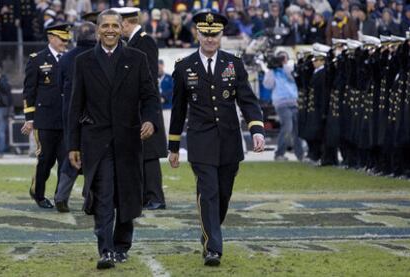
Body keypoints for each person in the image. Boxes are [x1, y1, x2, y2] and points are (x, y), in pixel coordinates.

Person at [168, 11, 265, 266]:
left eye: (215, 35)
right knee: (208, 191)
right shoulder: (184, 66)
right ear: (197, 34)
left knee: (223, 195)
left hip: (229, 141)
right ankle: (213, 248)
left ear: (221, 35)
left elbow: (247, 101)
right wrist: (173, 146)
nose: (210, 39)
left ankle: (209, 232)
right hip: (201, 141)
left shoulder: (234, 63)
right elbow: (178, 110)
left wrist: (257, 130)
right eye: (205, 34)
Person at [67, 9, 159, 269]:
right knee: (104, 196)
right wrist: (72, 145)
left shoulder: (137, 58)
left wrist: (150, 120)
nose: (109, 30)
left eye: (114, 26)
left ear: (122, 29)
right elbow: (75, 105)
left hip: (129, 140)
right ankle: (105, 250)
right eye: (104, 26)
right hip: (96, 141)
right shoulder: (83, 61)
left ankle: (122, 245)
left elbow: (150, 96)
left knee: (128, 195)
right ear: (97, 30)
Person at [114, 7, 167, 210]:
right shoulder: (135, 41)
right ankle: (146, 195)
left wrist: (149, 115)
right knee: (141, 154)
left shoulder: (145, 42)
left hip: (145, 107)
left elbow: (149, 78)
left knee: (149, 155)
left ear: (127, 23)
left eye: (120, 25)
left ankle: (155, 197)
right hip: (135, 107)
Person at [21, 22, 71, 209]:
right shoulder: (37, 59)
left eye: (66, 39)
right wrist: (29, 119)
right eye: (61, 38)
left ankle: (60, 197)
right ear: (51, 37)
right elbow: (29, 91)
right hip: (45, 120)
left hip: (65, 119)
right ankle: (38, 193)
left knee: (65, 160)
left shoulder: (70, 58)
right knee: (45, 160)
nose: (65, 42)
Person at [54, 21, 97, 213]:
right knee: (95, 158)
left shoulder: (65, 58)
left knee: (71, 153)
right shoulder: (99, 56)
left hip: (70, 113)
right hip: (94, 113)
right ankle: (90, 199)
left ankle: (61, 195)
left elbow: (58, 85)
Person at [263, 51, 304, 161]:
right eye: (279, 58)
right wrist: (271, 69)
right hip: (281, 103)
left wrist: (284, 64)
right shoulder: (273, 71)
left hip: (293, 102)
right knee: (287, 127)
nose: (281, 60)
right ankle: (279, 154)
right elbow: (268, 85)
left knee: (297, 129)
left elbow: (293, 78)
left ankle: (301, 155)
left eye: (283, 58)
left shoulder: (290, 67)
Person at [0, 59, 12, 158]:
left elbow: (7, 90)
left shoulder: (3, 78)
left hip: (0, 107)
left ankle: (0, 152)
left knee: (0, 130)